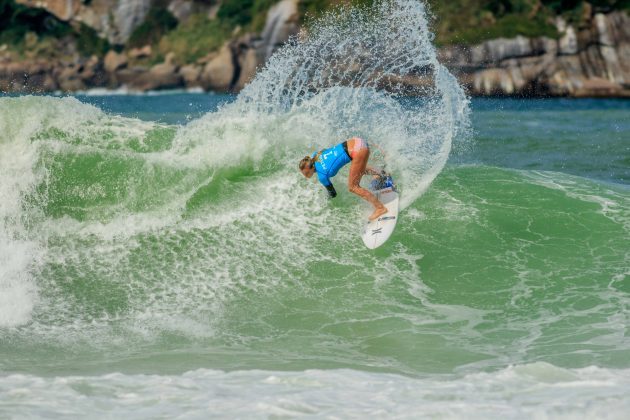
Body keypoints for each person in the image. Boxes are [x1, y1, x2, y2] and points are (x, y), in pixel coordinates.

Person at [299, 137, 388, 221]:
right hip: (358, 141)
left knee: (353, 187)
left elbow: (333, 193)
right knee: (357, 171)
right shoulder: (316, 155)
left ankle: (380, 208)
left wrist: (325, 199)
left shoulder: (322, 176)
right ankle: (381, 174)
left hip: (359, 151)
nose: (306, 176)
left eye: (306, 174)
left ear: (311, 168)